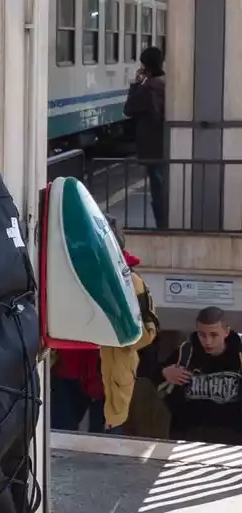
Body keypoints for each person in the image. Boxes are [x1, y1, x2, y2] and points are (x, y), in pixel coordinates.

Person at [96, 216, 158, 435]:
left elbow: (148, 332)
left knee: (109, 450)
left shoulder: (132, 282)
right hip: (69, 375)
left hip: (112, 378)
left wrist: (122, 339)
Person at [159, 306, 242, 445]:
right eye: (202, 335)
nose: (208, 341)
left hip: (233, 437)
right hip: (188, 435)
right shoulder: (185, 354)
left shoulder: (239, 356)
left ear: (226, 332)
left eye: (214, 335)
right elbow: (155, 379)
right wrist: (164, 373)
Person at [124, 47, 167, 229]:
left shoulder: (148, 88)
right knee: (165, 189)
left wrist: (136, 83)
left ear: (145, 66)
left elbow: (129, 109)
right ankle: (166, 225)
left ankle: (163, 227)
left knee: (159, 193)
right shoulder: (167, 83)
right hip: (167, 144)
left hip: (152, 147)